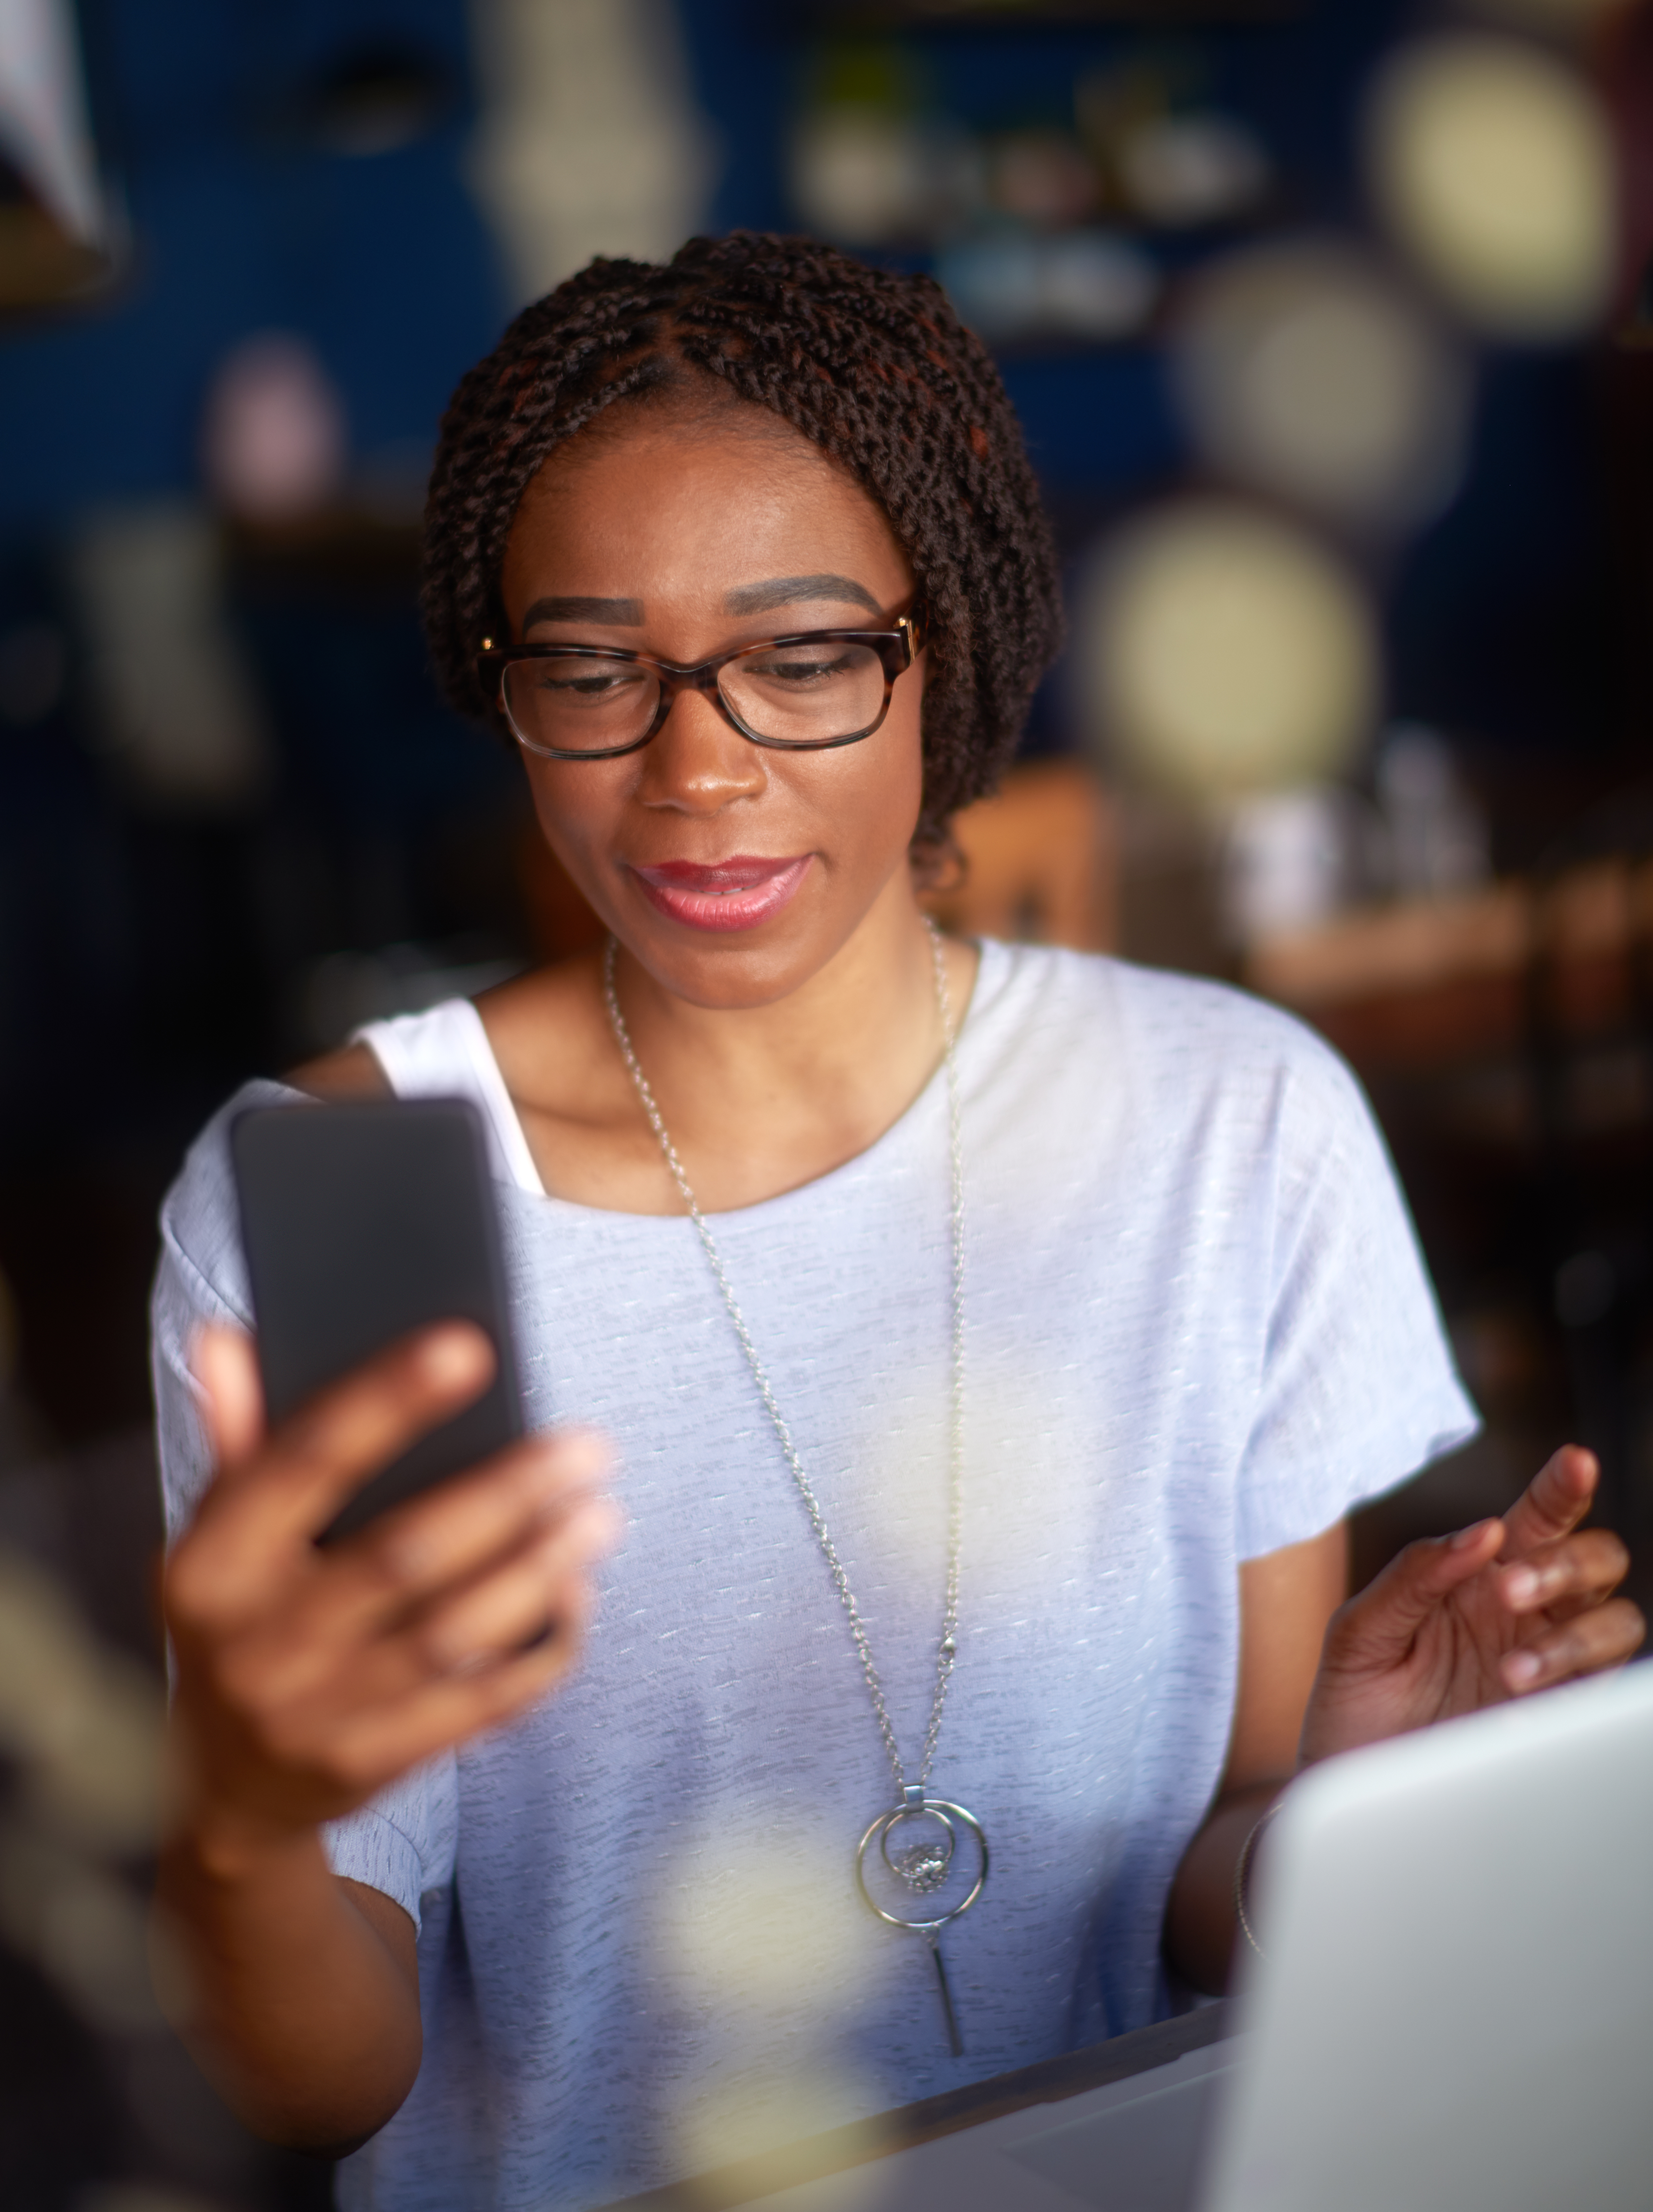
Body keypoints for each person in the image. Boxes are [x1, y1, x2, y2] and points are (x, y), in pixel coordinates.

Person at [151, 234, 1643, 2212]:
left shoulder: (1232, 1123)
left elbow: (1209, 1905)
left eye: (803, 655)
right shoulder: (349, 1200)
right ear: (500, 684)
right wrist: (249, 1830)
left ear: (949, 649)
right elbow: (328, 2083)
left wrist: (1355, 1827)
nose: (697, 770)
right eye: (593, 669)